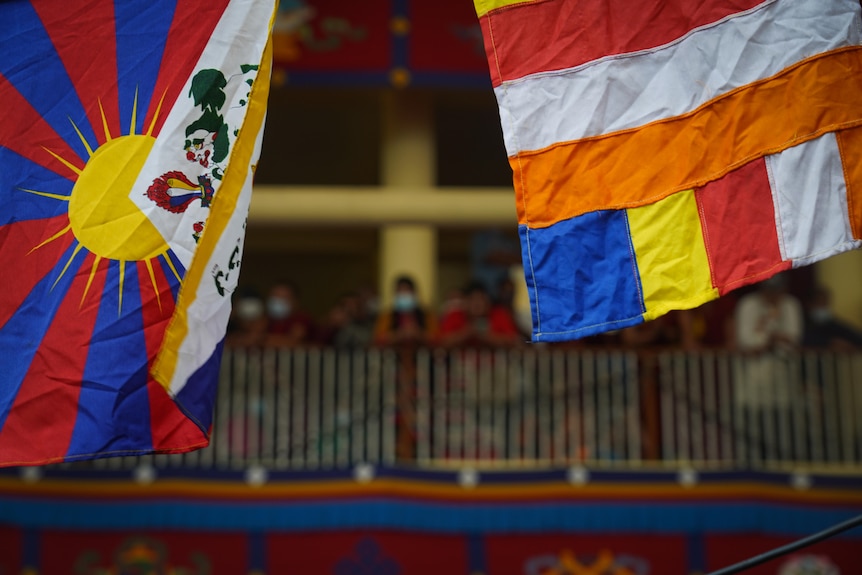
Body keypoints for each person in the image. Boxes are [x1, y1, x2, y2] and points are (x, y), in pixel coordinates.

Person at [437, 282, 522, 348]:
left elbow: (512, 341)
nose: (477, 304)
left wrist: (485, 335)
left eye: (480, 299)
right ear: (465, 302)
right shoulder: (455, 316)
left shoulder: (499, 315)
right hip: (460, 367)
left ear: (487, 301)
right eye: (472, 299)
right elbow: (442, 342)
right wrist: (468, 332)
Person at [374, 275, 436, 347]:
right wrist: (398, 335)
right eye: (400, 291)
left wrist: (418, 334)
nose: (403, 294)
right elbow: (377, 339)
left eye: (406, 291)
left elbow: (437, 339)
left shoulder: (427, 315)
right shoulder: (387, 316)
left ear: (414, 293)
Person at [802, 286, 862, 350]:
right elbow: (801, 339)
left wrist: (849, 346)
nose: (824, 306)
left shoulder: (833, 324)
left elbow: (856, 337)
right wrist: (829, 343)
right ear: (809, 303)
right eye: (820, 302)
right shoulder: (802, 323)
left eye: (826, 302)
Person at [265, 281, 316, 347]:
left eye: (284, 298)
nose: (278, 301)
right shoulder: (266, 319)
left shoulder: (302, 319)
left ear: (295, 301)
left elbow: (293, 342)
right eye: (275, 296)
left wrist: (261, 340)